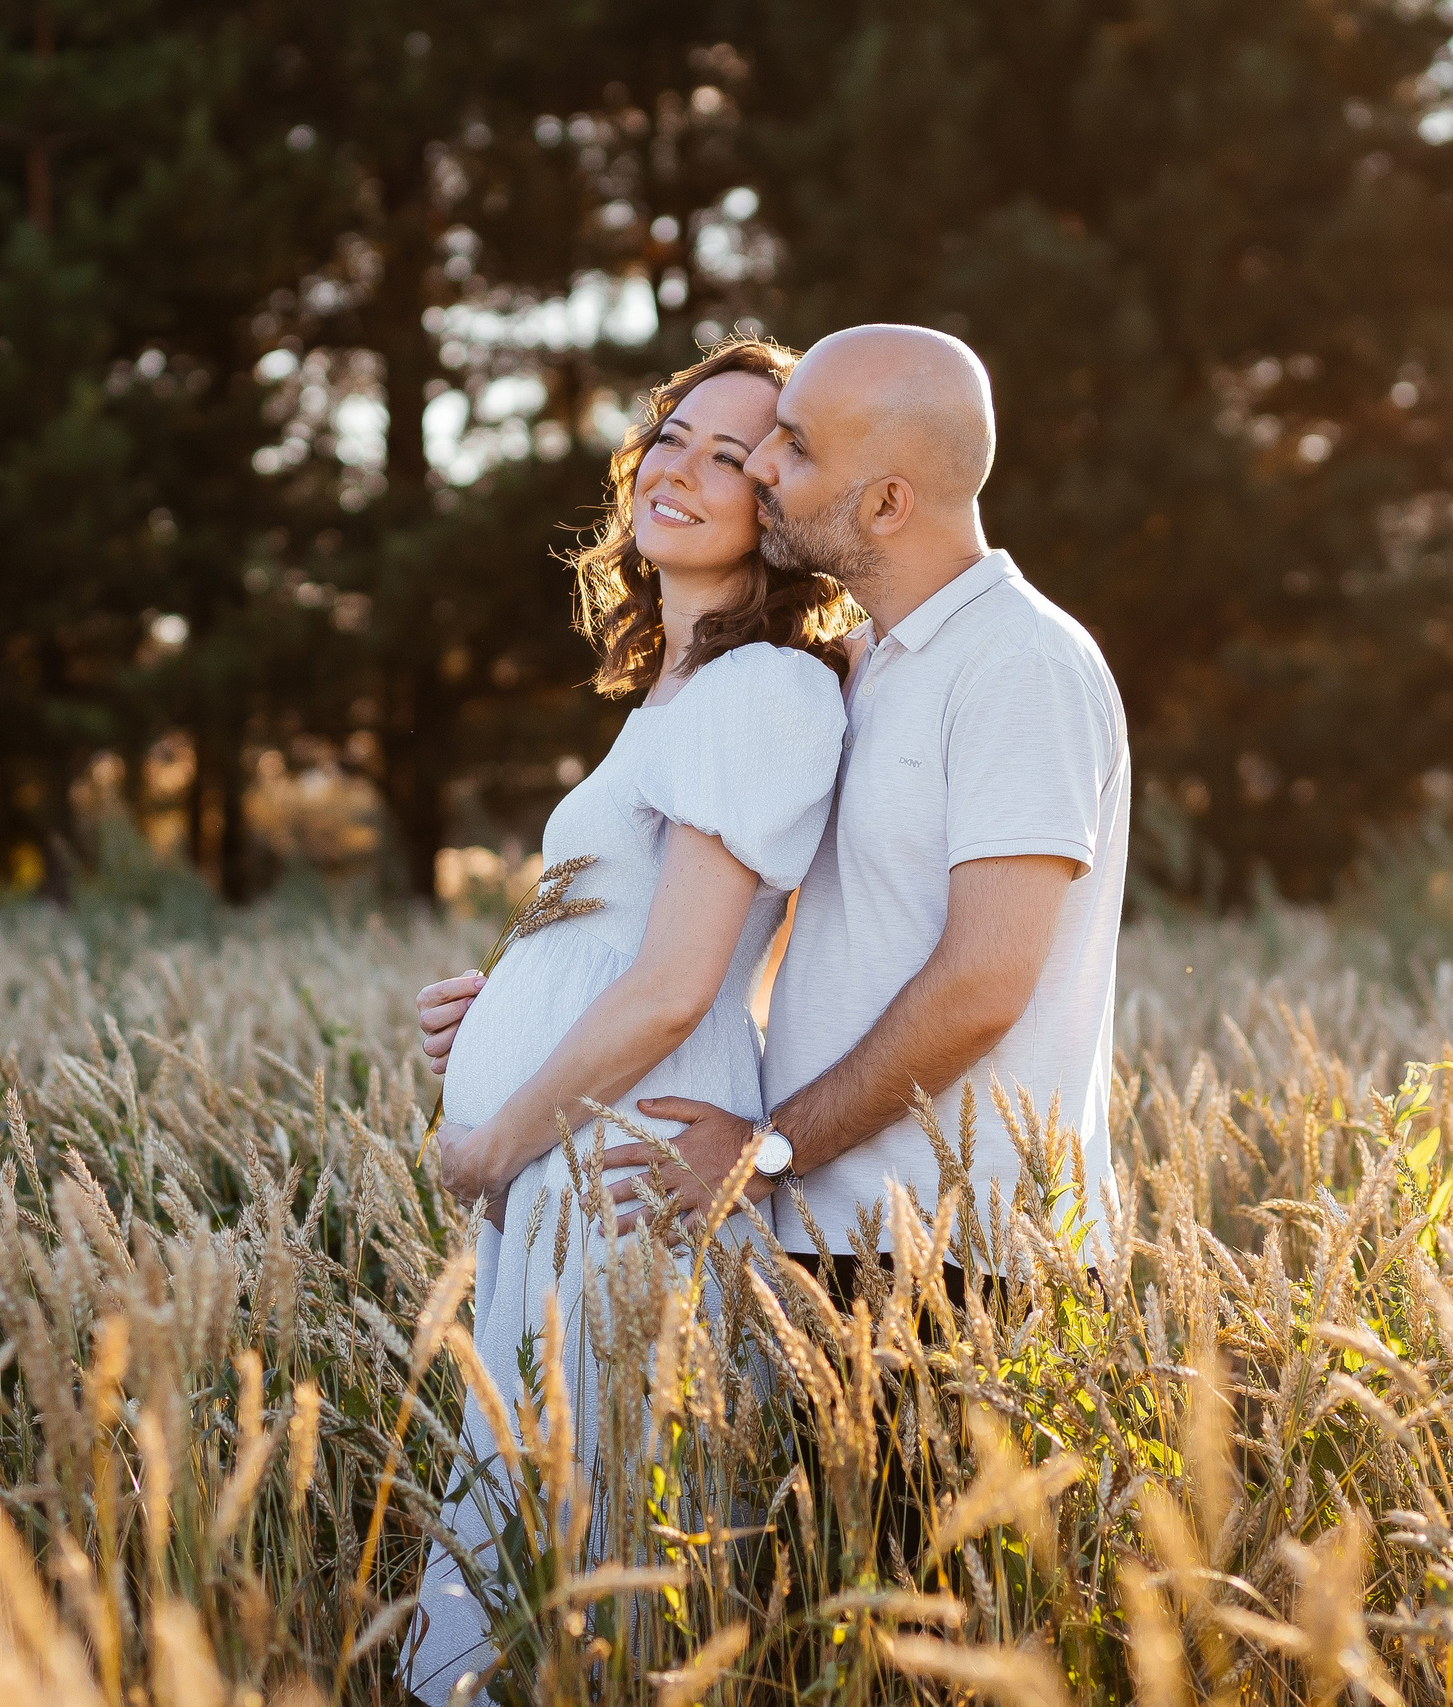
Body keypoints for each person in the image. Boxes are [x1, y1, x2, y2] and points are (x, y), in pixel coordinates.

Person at [418, 321, 1130, 1309]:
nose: (759, 466)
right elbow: (755, 940)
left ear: (885, 501)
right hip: (834, 1228)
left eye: (789, 447)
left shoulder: (1018, 663)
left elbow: (984, 981)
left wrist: (772, 1147)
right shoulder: (864, 670)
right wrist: (522, 1011)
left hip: (963, 1252)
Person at [402, 336, 858, 1706]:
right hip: (569, 1151)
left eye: (736, 454)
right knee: (532, 1540)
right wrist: (507, 998)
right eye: (674, 433)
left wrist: (491, 1143)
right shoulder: (676, 688)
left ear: (780, 512)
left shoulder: (765, 686)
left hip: (611, 1170)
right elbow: (630, 943)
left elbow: (675, 989)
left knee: (586, 1555)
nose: (686, 466)